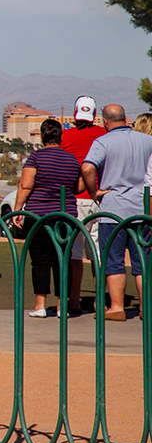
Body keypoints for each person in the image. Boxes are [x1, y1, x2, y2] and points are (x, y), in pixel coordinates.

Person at [83, 103, 152, 320]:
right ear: (125, 118)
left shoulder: (103, 142)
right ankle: (145, 307)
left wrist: (95, 191)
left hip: (113, 209)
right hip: (142, 207)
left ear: (104, 121)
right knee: (143, 261)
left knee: (114, 259)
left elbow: (87, 167)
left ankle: (116, 307)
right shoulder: (147, 140)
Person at [12, 118, 85, 317]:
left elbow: (26, 185)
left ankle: (40, 305)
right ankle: (63, 306)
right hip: (66, 215)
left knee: (40, 260)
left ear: (43, 137)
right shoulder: (72, 160)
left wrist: (18, 210)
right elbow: (78, 187)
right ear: (60, 137)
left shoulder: (36, 158)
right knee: (63, 260)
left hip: (39, 215)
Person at [61, 95, 107, 312]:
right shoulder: (104, 135)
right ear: (95, 115)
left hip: (75, 199)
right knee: (98, 253)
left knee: (74, 254)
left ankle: (74, 300)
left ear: (75, 114)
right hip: (100, 198)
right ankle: (99, 299)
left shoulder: (65, 136)